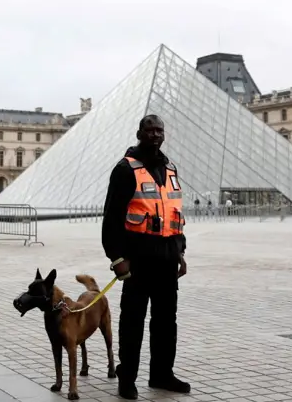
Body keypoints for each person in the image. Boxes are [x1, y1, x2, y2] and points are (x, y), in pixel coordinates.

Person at [101, 114, 190, 399]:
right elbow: (111, 219)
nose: (155, 135)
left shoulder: (170, 167)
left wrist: (181, 252)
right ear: (139, 133)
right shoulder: (125, 169)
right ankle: (127, 378)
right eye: (149, 130)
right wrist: (117, 259)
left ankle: (162, 374)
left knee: (166, 321)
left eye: (159, 130)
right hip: (138, 261)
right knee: (133, 322)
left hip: (166, 259)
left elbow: (174, 213)